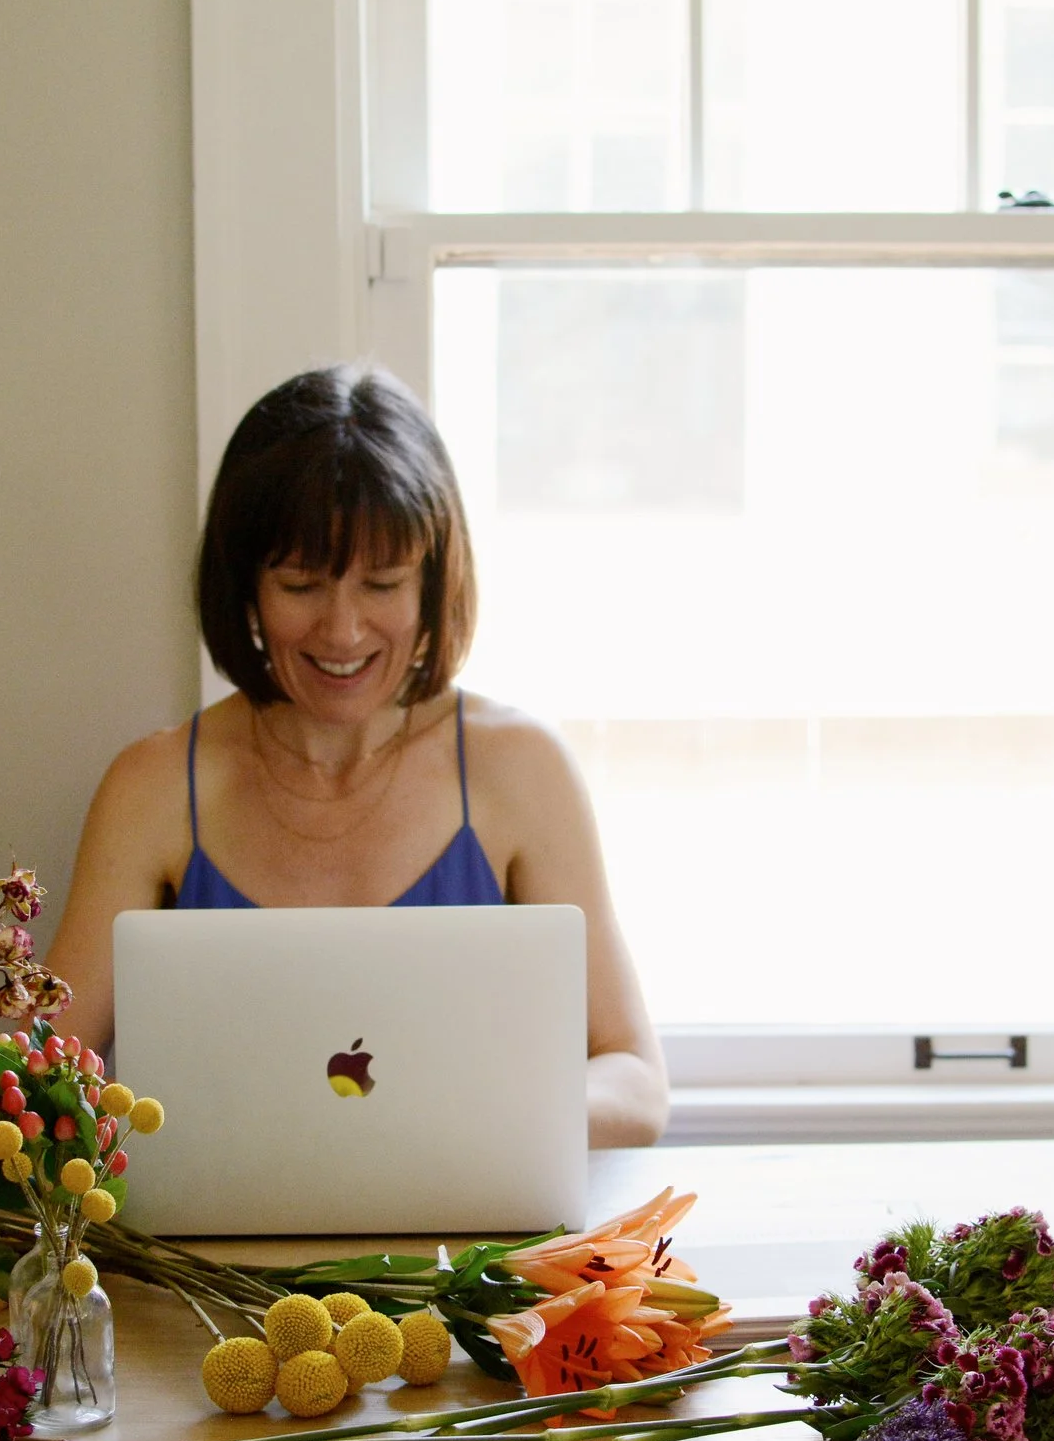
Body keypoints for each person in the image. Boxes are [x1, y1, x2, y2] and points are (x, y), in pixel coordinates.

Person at [42, 365, 668, 1147]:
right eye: (301, 584)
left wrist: (482, 1116)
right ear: (247, 588)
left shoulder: (521, 770)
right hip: (210, 1262)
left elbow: (635, 1081)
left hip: (465, 1252)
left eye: (382, 582)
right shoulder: (155, 786)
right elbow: (35, 1079)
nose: (342, 631)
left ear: (433, 582)